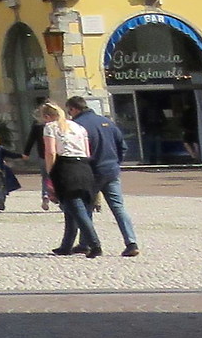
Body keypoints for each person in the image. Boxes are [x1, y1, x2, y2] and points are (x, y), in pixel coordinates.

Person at [66, 95, 141, 258]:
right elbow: (122, 146)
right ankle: (131, 242)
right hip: (111, 170)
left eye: (69, 111)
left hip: (90, 172)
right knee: (118, 207)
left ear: (74, 109)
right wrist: (116, 162)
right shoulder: (107, 122)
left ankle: (87, 243)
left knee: (86, 208)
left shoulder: (76, 126)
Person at [38, 99, 102, 258]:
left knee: (76, 207)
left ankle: (94, 244)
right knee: (70, 208)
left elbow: (50, 152)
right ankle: (66, 245)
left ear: (47, 116)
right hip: (84, 166)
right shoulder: (78, 127)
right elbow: (87, 151)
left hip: (65, 166)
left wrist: (50, 172)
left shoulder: (50, 127)